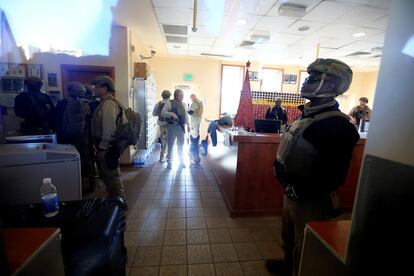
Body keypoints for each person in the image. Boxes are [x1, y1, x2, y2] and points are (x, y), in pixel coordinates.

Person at [267, 58, 360, 276]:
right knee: (288, 235)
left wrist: (300, 189)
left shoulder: (337, 126)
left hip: (310, 199)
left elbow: (335, 175)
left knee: (306, 241)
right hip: (291, 191)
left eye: (313, 78)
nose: (305, 81)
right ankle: (287, 265)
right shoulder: (307, 115)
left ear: (330, 85)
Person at [91, 75, 127, 202]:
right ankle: (115, 202)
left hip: (109, 147)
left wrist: (102, 148)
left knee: (112, 176)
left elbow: (109, 128)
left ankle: (119, 205)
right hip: (108, 146)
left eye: (97, 86)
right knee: (108, 175)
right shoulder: (104, 103)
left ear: (105, 88)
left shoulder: (109, 104)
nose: (94, 89)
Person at [56, 82, 95, 193]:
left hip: (68, 139)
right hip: (85, 139)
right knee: (87, 161)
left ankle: (72, 186)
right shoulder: (88, 104)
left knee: (70, 161)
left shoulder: (62, 103)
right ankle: (91, 185)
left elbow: (57, 121)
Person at [161, 89, 189, 169]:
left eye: (183, 95)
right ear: (176, 96)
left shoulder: (183, 104)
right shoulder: (169, 103)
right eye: (181, 95)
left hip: (181, 127)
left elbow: (186, 115)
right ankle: (169, 161)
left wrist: (188, 124)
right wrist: (172, 114)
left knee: (181, 145)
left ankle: (181, 161)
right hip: (172, 127)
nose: (183, 97)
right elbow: (163, 113)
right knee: (170, 145)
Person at [152, 90, 171, 162]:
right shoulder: (171, 103)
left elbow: (154, 114)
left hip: (161, 124)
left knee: (164, 141)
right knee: (169, 141)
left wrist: (160, 114)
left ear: (162, 96)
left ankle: (163, 156)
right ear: (169, 96)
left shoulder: (158, 104)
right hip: (169, 125)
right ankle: (166, 156)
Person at [188, 94, 203, 167]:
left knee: (194, 142)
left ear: (193, 97)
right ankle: (195, 158)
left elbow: (190, 112)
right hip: (198, 123)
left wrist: (187, 109)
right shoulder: (200, 102)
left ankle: (196, 159)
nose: (191, 99)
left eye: (191, 98)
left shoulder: (194, 103)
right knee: (195, 141)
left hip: (194, 125)